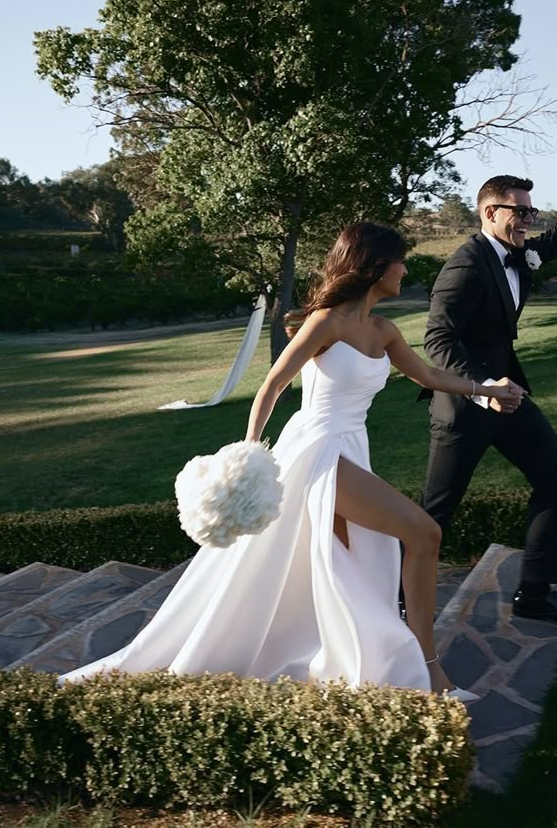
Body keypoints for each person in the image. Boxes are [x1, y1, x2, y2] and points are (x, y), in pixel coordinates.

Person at [58, 223, 524, 697]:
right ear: (373, 266)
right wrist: (247, 453)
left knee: (350, 563)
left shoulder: (383, 331)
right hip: (316, 449)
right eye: (399, 261)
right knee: (425, 533)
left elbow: (425, 373)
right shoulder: (325, 323)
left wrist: (486, 390)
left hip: (352, 449)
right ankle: (430, 672)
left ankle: (367, 662)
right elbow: (273, 386)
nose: (406, 269)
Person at [420, 148, 557, 628]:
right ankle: (401, 598)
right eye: (522, 211)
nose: (530, 220)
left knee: (556, 477)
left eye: (532, 211)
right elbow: (437, 338)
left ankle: (534, 594)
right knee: (436, 512)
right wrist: (484, 386)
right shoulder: (466, 264)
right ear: (491, 212)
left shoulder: (517, 252)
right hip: (466, 405)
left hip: (508, 399)